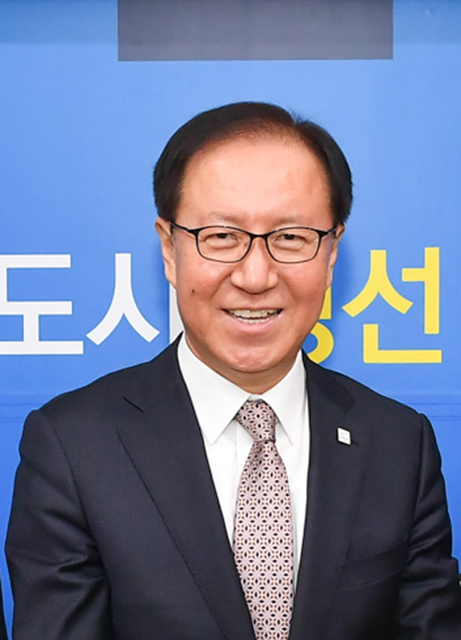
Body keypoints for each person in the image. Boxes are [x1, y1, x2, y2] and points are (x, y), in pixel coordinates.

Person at [6, 102, 461, 640]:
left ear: (332, 251)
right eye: (221, 236)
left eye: (290, 236)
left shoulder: (399, 444)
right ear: (169, 248)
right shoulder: (74, 446)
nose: (255, 276)